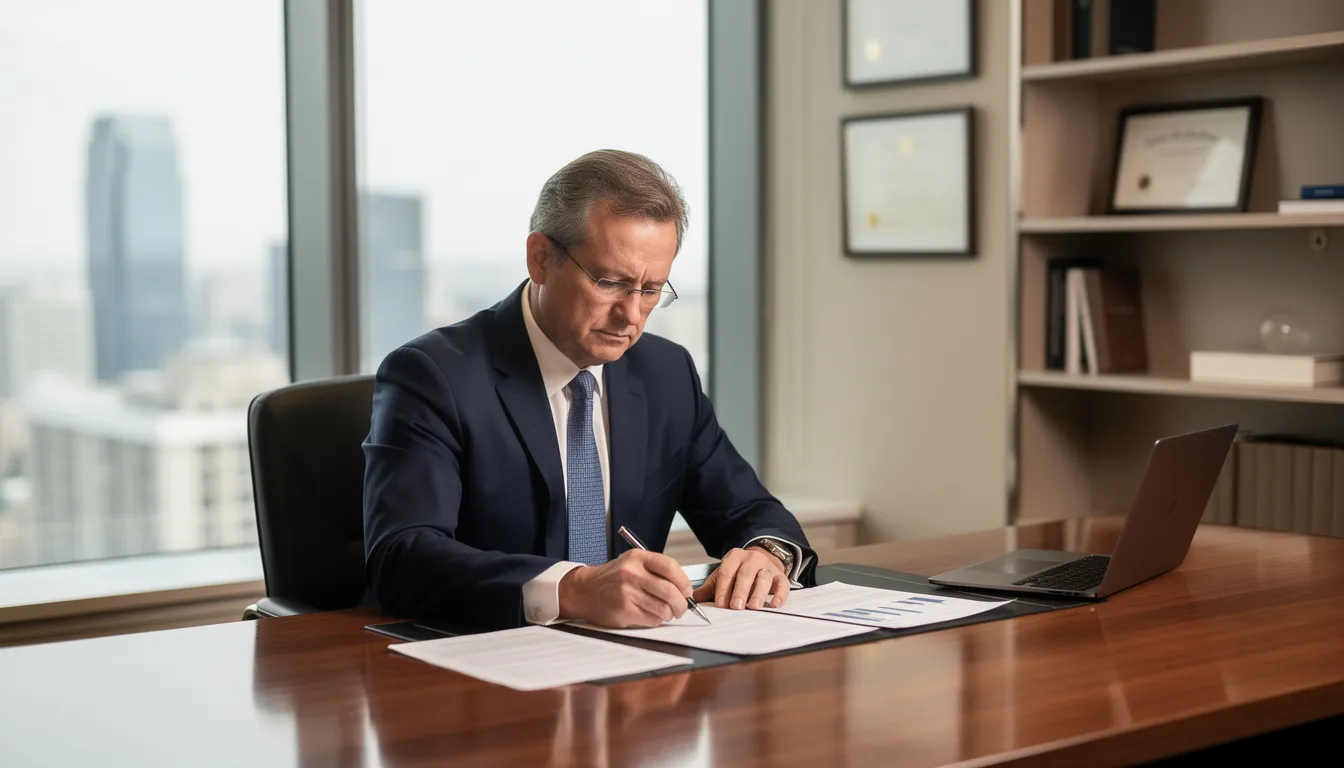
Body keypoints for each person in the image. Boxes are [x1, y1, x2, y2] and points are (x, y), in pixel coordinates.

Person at [362, 149, 815, 630]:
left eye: (651, 290)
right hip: (478, 668)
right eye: (611, 283)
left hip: (632, 670)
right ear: (540, 258)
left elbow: (750, 510)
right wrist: (571, 589)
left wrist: (766, 554)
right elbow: (401, 556)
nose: (632, 315)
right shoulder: (433, 375)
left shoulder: (665, 373)